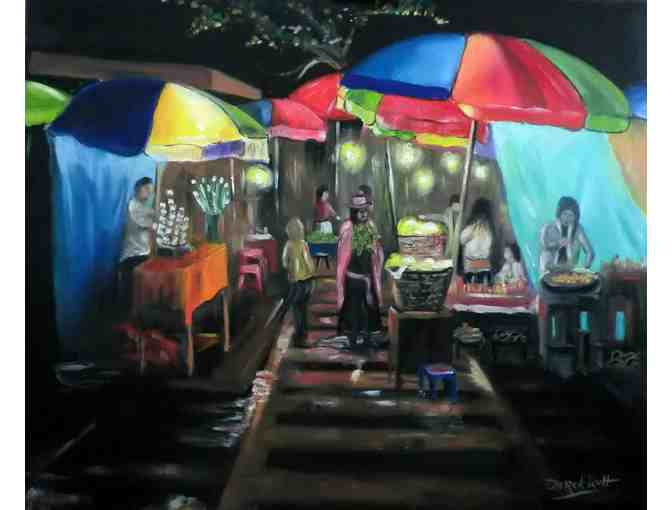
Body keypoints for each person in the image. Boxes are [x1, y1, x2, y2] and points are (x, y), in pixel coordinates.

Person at [337, 193, 384, 349]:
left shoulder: (371, 227)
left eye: (365, 210)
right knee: (353, 308)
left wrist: (376, 256)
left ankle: (368, 338)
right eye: (359, 211)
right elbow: (343, 254)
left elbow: (377, 250)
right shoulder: (347, 228)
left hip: (368, 275)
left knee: (370, 308)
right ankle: (353, 338)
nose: (363, 213)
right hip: (353, 276)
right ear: (353, 212)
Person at [118, 177, 154, 314]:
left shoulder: (144, 208)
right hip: (132, 256)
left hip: (143, 254)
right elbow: (146, 223)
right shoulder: (133, 206)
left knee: (140, 294)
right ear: (137, 189)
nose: (149, 192)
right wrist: (157, 220)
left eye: (151, 190)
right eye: (146, 189)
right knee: (131, 295)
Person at [282, 217, 316, 346]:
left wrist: (290, 269)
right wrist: (311, 273)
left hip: (296, 281)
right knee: (303, 308)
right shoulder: (303, 244)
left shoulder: (289, 245)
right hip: (306, 280)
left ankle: (299, 334)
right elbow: (308, 262)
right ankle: (303, 333)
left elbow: (284, 262)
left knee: (297, 308)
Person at [539, 196, 594, 275]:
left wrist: (585, 269)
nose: (567, 218)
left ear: (575, 217)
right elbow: (543, 246)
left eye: (571, 215)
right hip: (548, 271)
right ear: (559, 213)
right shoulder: (548, 227)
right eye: (564, 214)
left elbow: (590, 252)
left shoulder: (578, 229)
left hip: (569, 272)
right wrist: (557, 244)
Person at [459, 198, 496, 285]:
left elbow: (462, 240)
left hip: (474, 265)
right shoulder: (489, 228)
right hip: (481, 265)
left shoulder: (473, 226)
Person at [420, 193, 461, 258]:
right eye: (455, 205)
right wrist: (426, 217)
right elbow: (440, 217)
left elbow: (440, 217)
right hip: (451, 245)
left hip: (457, 247)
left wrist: (426, 217)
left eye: (457, 204)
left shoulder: (461, 214)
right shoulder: (449, 213)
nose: (456, 207)